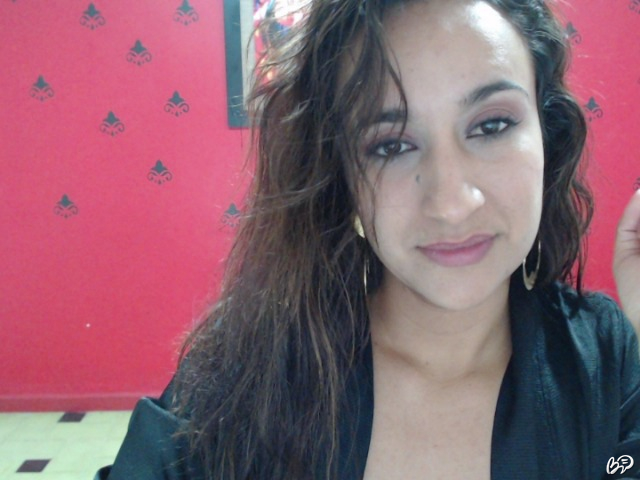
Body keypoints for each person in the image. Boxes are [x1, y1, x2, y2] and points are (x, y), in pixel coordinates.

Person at [96, 0, 640, 478]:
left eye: (492, 125)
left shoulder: (607, 364)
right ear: (344, 179)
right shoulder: (252, 370)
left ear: (548, 135)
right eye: (391, 145)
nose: (451, 203)